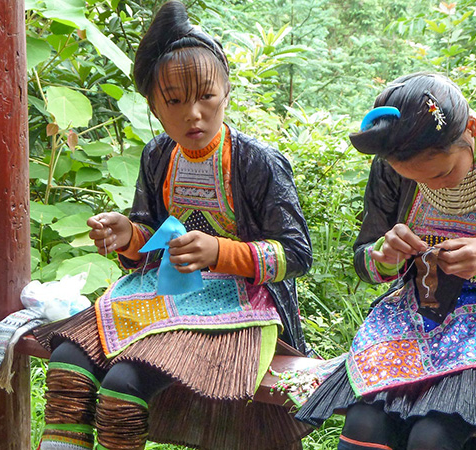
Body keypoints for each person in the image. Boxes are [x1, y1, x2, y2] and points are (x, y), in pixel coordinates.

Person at [33, 2, 312, 449]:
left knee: (123, 384)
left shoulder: (258, 162)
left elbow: (296, 255)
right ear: (155, 106)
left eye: (206, 96)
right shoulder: (158, 155)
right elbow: (151, 238)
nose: (193, 114)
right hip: (162, 295)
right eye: (175, 101)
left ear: (227, 92)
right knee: (68, 358)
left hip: (239, 308)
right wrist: (127, 234)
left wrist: (220, 253)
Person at [295, 73, 476, 450]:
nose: (433, 187)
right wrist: (384, 256)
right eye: (415, 179)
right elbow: (365, 260)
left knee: (434, 437)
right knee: (364, 424)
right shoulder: (391, 165)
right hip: (415, 314)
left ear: (470, 127)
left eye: (442, 173)